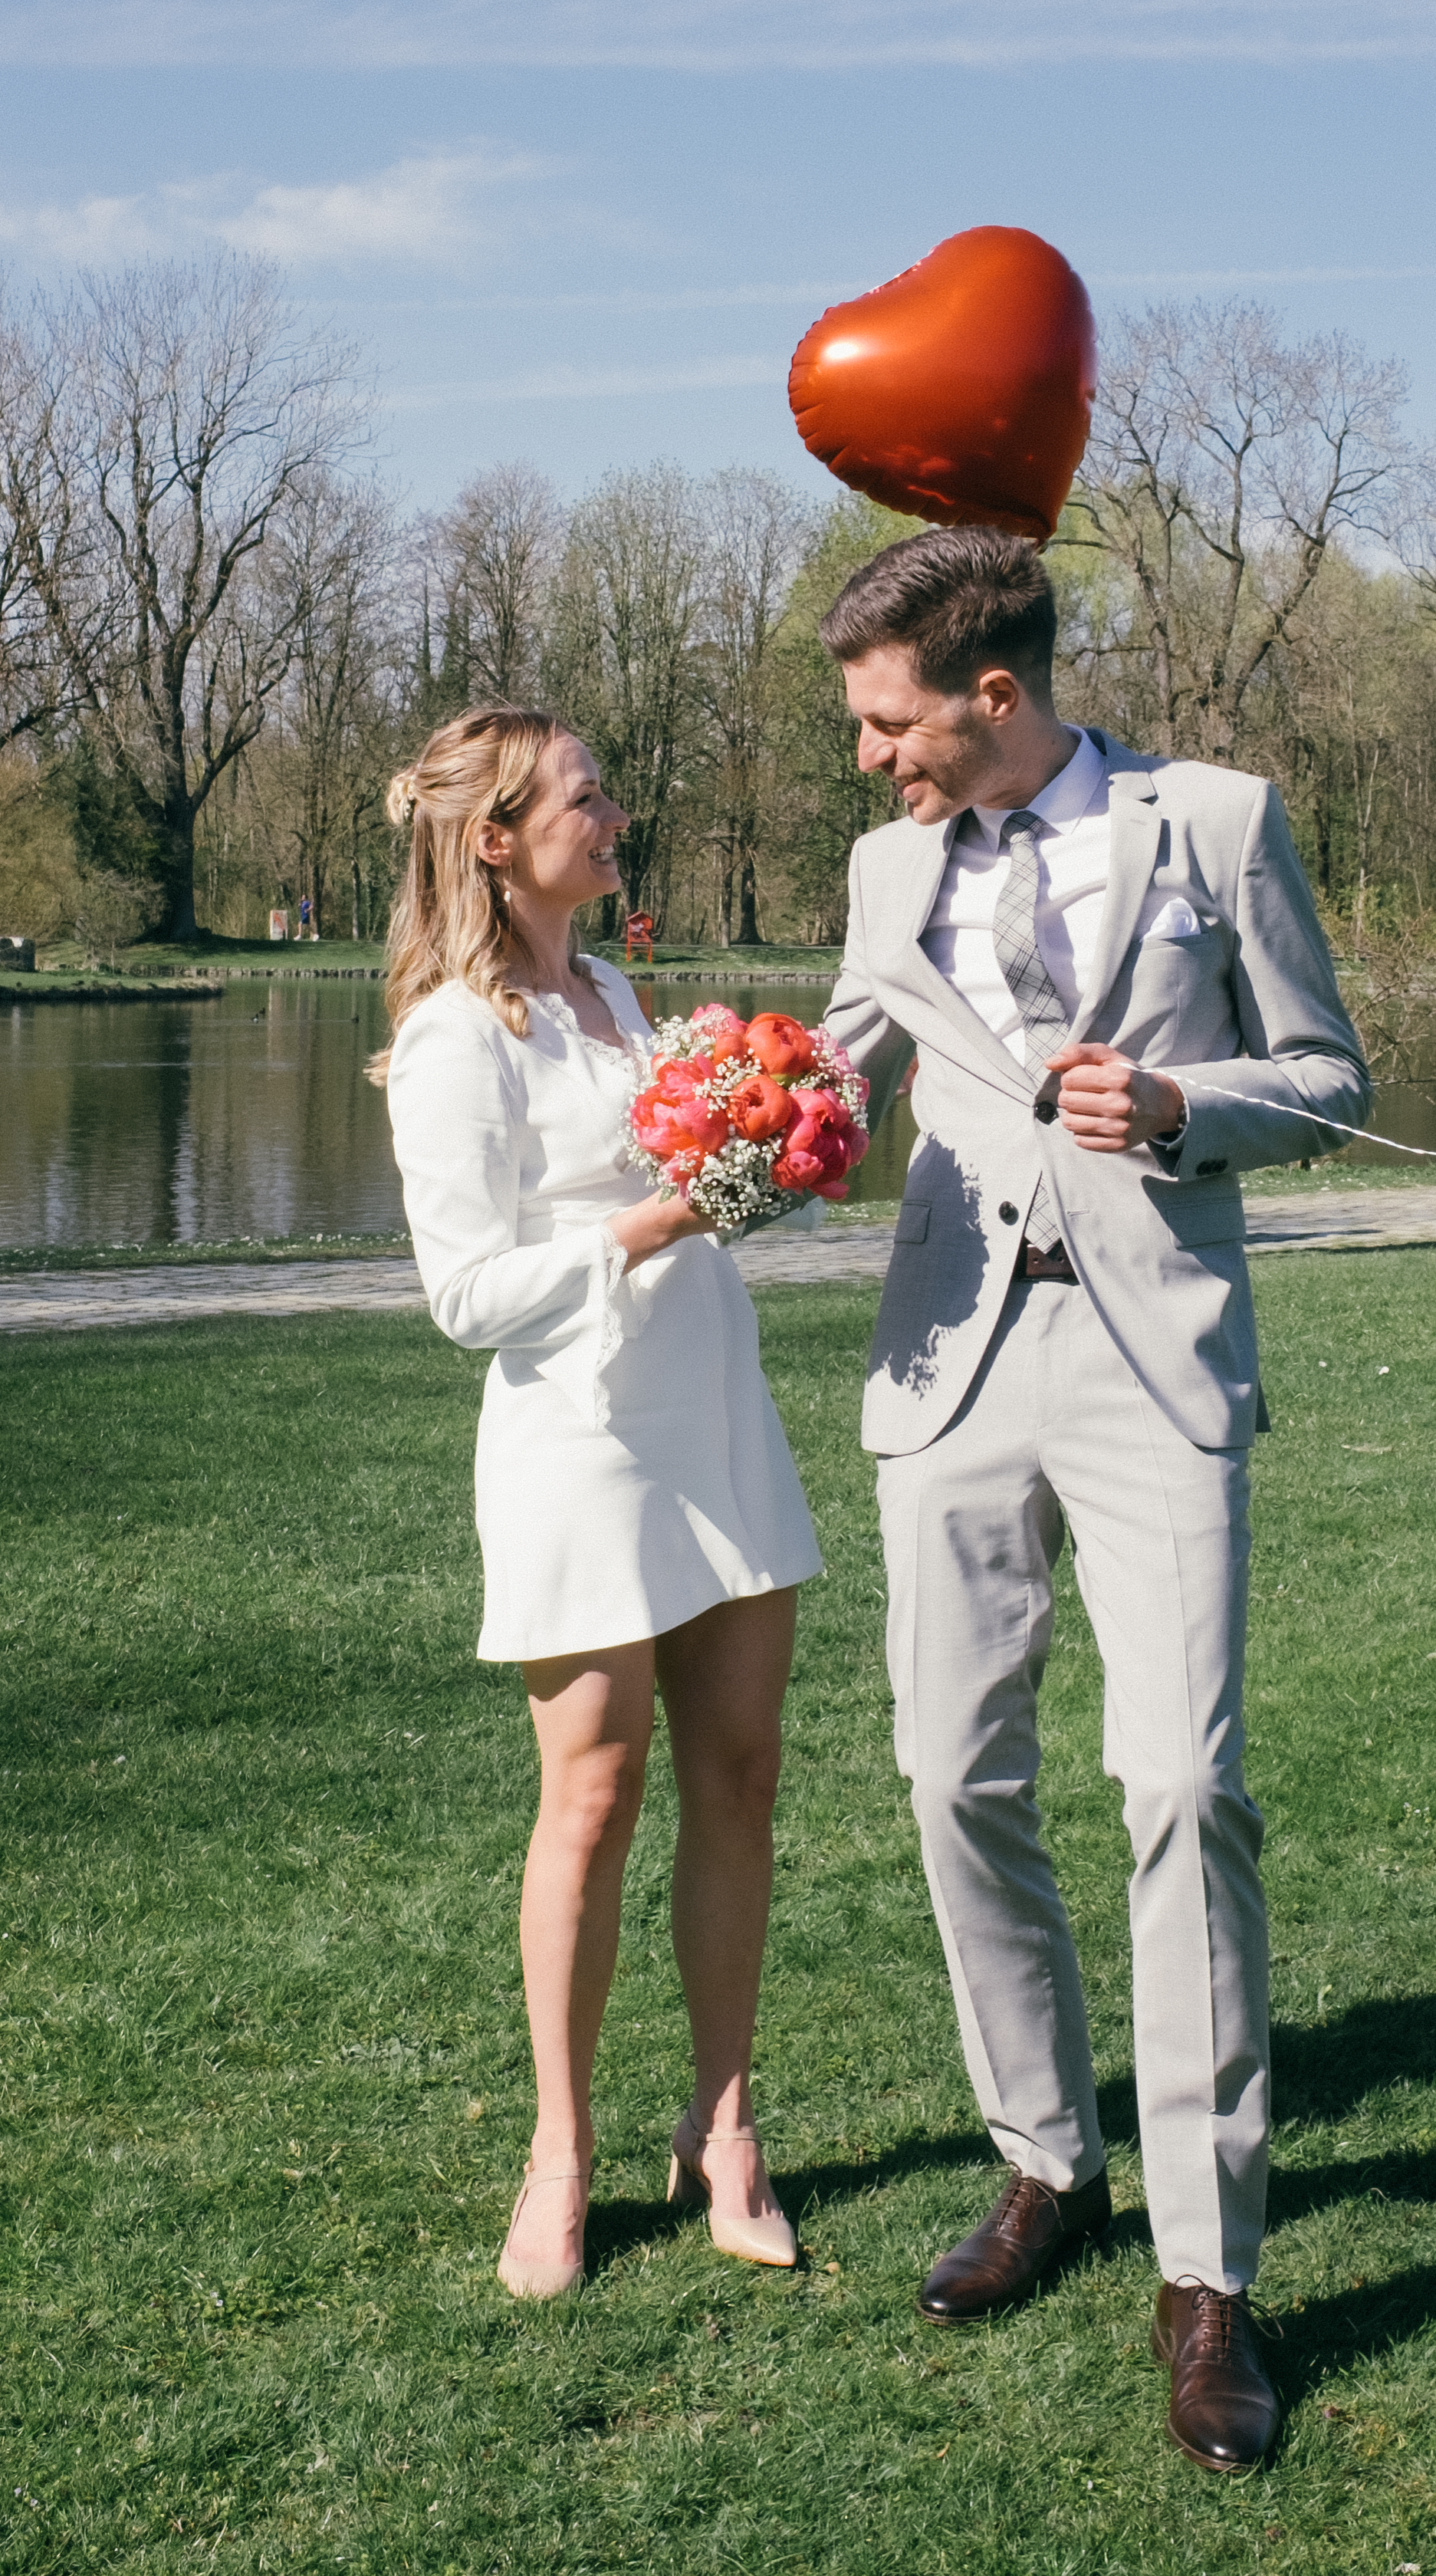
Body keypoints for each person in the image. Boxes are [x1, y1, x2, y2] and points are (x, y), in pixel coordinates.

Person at [819, 531, 1371, 2472]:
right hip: (951, 1365)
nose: (872, 763)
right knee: (951, 1777)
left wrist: (1194, 1106)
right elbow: (840, 1065)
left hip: (1154, 1370)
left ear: (991, 695)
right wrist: (760, 1118)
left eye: (891, 725)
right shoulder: (888, 870)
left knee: (1180, 1785)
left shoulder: (1214, 821)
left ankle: (1208, 2277)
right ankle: (1041, 2162)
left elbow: (1327, 1071)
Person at [374, 704, 823, 2300]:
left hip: (711, 1405)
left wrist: (765, 1150)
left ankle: (726, 2133)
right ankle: (560, 2154)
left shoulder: (622, 994)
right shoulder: (449, 1036)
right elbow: (469, 1294)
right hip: (578, 1439)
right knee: (595, 1795)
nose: (613, 813)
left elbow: (693, 1180)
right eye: (583, 797)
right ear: (493, 839)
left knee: (745, 1773)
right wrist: (648, 1227)